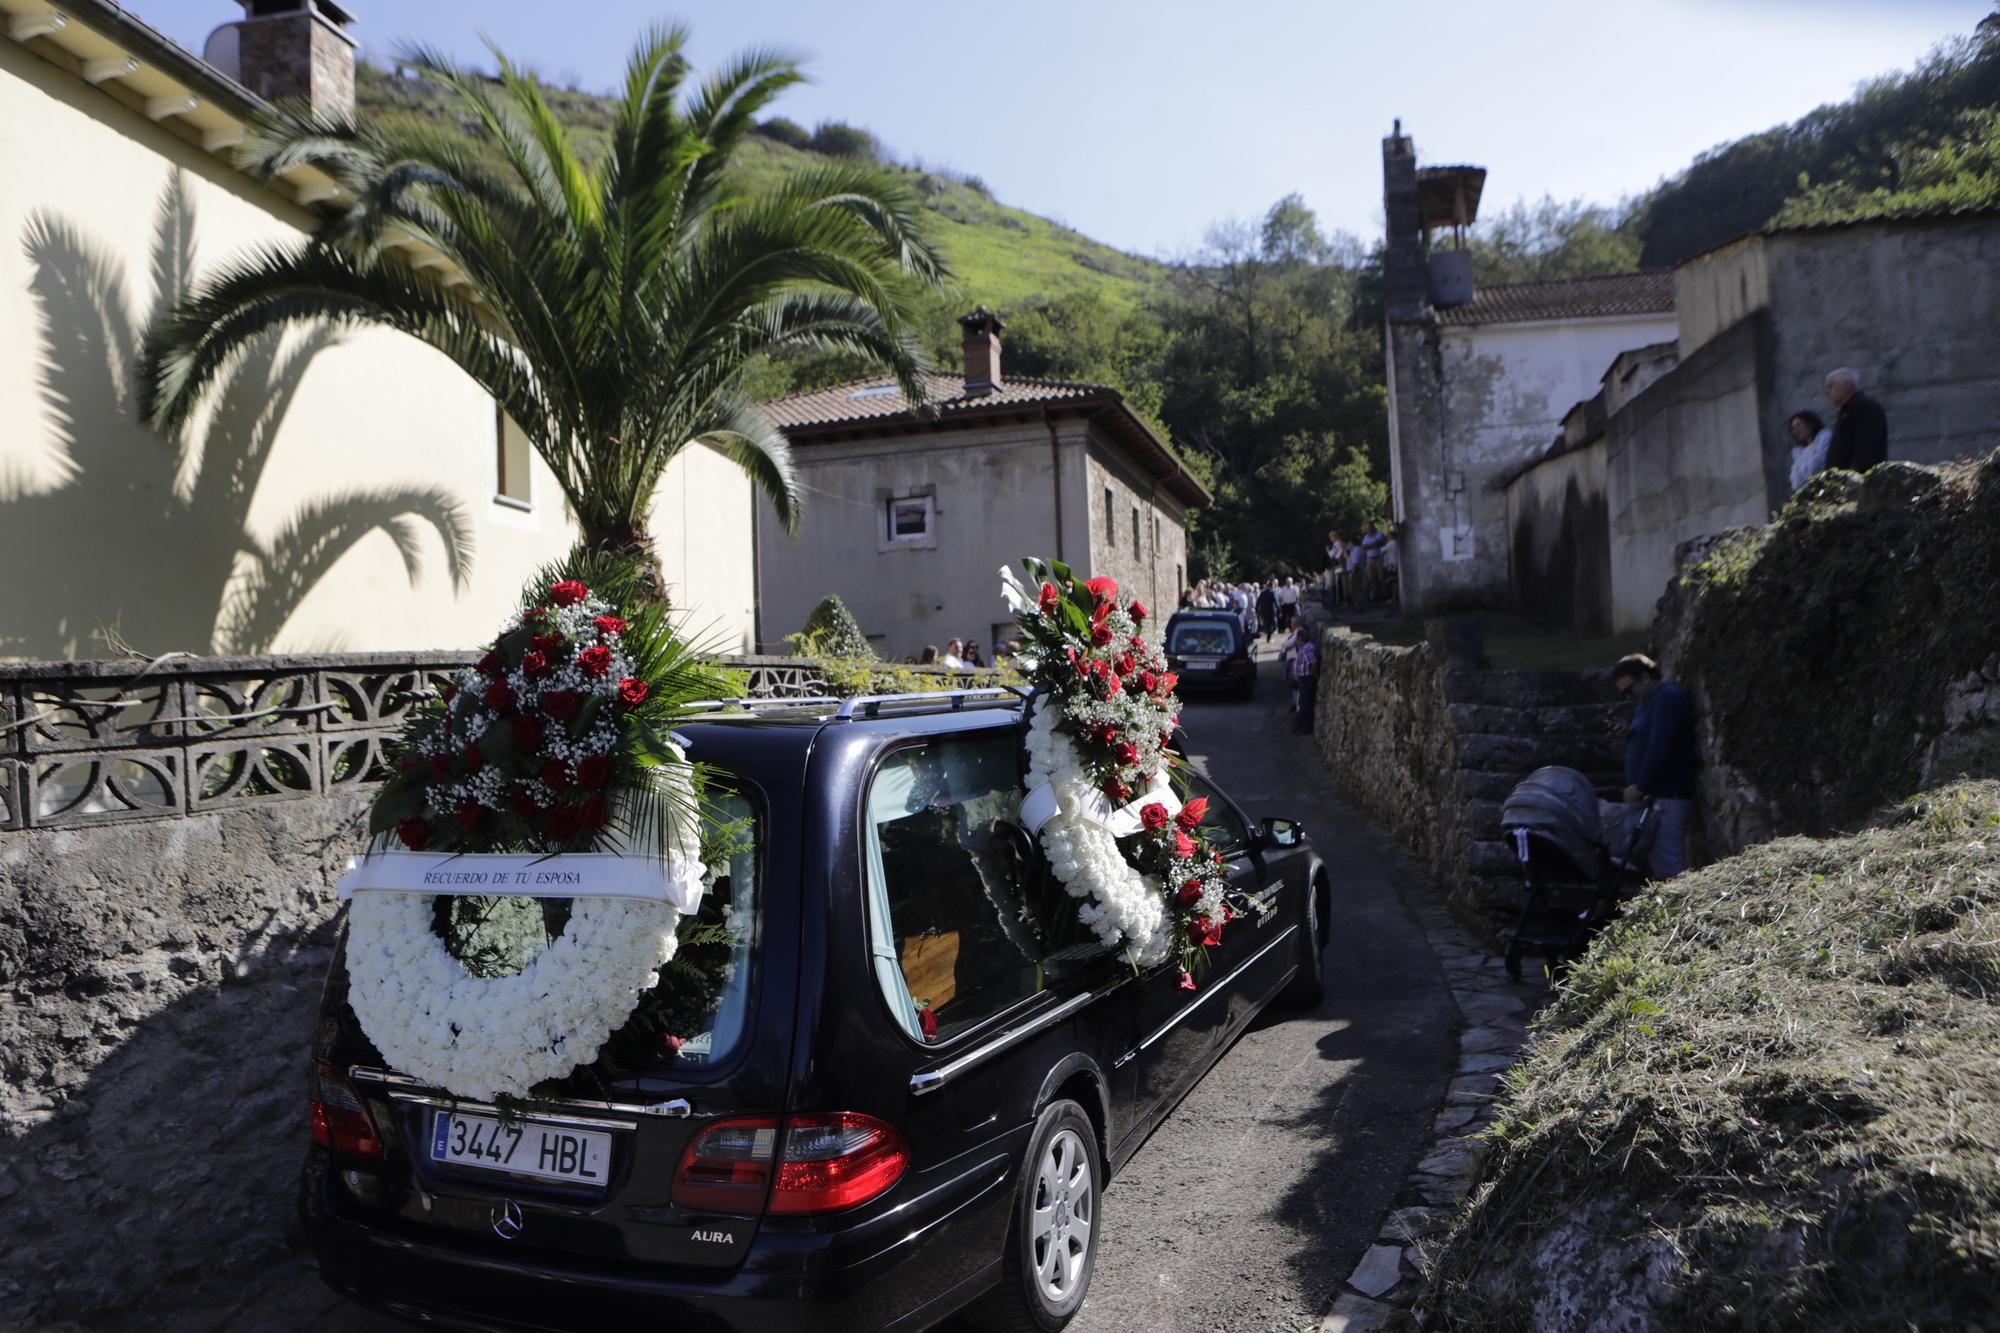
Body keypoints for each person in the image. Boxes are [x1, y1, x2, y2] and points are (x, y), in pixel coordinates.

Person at [1611, 653, 1697, 880]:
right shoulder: (1647, 704)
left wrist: (1640, 786)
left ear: (1645, 677)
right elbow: (1649, 739)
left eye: (1629, 690)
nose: (1627, 697)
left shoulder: (1667, 699)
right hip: (1657, 796)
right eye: (1623, 693)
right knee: (1662, 866)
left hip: (1668, 795)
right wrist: (1629, 732)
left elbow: (1661, 747)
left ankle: (1686, 911)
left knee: (1671, 868)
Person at [1823, 367, 1888, 473]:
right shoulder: (1848, 410)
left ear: (1847, 385)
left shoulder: (1864, 407)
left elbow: (1866, 448)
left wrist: (1852, 476)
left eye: (1831, 386)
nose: (1828, 392)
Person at [1787, 409, 1832, 492]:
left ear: (1810, 424)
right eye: (1793, 428)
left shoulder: (1824, 437)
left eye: (1799, 425)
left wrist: (1802, 471)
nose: (1796, 431)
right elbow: (1795, 483)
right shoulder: (1799, 453)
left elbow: (1815, 468)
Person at [1360, 521, 1387, 602]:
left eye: (1368, 528)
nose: (1367, 530)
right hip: (1369, 559)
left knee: (1381, 577)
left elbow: (1378, 543)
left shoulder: (1379, 534)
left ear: (1373, 527)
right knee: (1372, 578)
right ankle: (1376, 596)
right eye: (1366, 528)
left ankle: (1385, 595)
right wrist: (1373, 545)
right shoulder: (1366, 537)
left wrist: (1370, 546)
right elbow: (1364, 547)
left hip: (1379, 558)